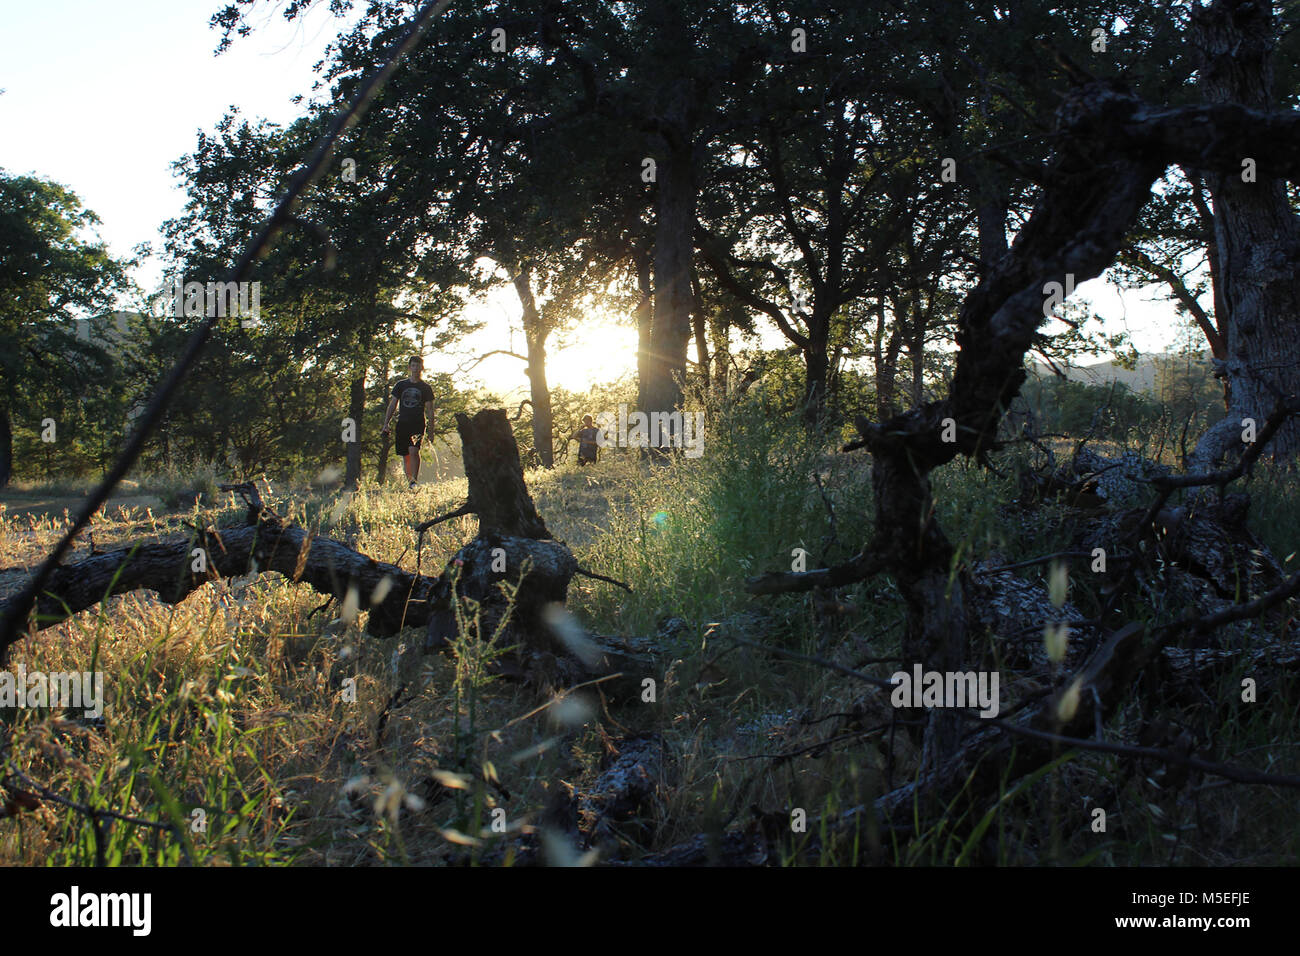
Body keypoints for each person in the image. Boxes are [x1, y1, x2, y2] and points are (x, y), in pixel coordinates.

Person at [381, 356, 436, 488]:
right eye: (413, 365)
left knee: (413, 451)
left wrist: (431, 430)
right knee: (405, 454)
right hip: (402, 424)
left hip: (417, 423)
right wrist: (386, 424)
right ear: (409, 367)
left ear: (422, 368)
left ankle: (414, 481)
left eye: (418, 366)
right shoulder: (400, 385)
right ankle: (410, 482)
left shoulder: (425, 388)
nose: (416, 368)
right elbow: (392, 405)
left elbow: (430, 410)